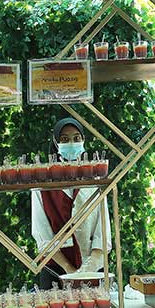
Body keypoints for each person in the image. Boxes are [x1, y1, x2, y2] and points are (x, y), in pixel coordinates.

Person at [31, 117, 109, 290]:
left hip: (92, 269)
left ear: (83, 141)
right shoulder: (41, 184)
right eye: (65, 139)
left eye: (76, 138)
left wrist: (88, 269)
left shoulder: (94, 180)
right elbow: (42, 235)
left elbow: (102, 233)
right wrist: (70, 271)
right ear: (56, 143)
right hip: (55, 270)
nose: (72, 143)